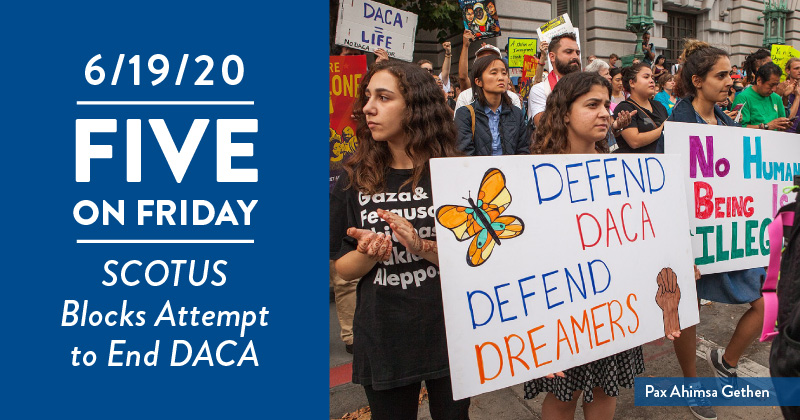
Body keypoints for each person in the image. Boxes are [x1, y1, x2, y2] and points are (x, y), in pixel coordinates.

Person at [525, 72, 678, 419]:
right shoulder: (533, 173)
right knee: (565, 396)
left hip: (611, 307)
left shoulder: (620, 170)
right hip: (563, 310)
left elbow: (642, 233)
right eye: (591, 105)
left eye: (605, 105)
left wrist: (678, 262)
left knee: (604, 389)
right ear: (564, 112)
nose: (604, 114)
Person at [330, 61, 471, 420]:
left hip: (451, 332)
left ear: (416, 107)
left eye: (384, 97)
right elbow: (343, 270)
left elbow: (475, 259)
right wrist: (367, 253)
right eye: (367, 97)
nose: (368, 107)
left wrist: (421, 245)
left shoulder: (457, 173)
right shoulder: (352, 176)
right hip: (384, 334)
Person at [667, 39, 769, 420]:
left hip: (730, 235)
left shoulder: (728, 123)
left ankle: (725, 361)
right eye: (722, 75)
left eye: (731, 74)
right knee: (688, 312)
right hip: (691, 237)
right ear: (697, 81)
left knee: (764, 302)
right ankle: (691, 386)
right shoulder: (676, 126)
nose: (732, 81)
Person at [454, 56, 529, 156]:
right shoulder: (465, 114)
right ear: (478, 81)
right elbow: (464, 154)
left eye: (504, 73)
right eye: (494, 73)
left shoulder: (516, 113)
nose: (501, 77)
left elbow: (523, 151)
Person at [455, 31, 521, 112]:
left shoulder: (513, 98)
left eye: (503, 73)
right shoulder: (466, 97)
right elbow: (463, 77)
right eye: (483, 59)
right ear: (478, 81)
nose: (488, 62)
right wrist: (465, 46)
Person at [527, 32, 581, 125]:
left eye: (577, 52)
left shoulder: (588, 86)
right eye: (568, 52)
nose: (575, 56)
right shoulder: (540, 90)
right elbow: (543, 125)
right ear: (552, 57)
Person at [613, 62, 668, 153]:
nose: (651, 81)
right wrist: (663, 129)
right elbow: (634, 141)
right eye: (646, 77)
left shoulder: (659, 106)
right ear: (632, 83)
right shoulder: (625, 107)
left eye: (652, 77)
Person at [732, 62, 792, 131]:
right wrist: (766, 126)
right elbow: (737, 128)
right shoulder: (743, 98)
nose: (774, 89)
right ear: (759, 81)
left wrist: (784, 126)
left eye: (776, 85)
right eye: (771, 85)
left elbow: (781, 127)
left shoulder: (777, 98)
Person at [781, 57, 800, 132]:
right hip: (788, 132)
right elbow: (787, 116)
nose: (799, 71)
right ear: (788, 70)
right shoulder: (781, 88)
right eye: (796, 68)